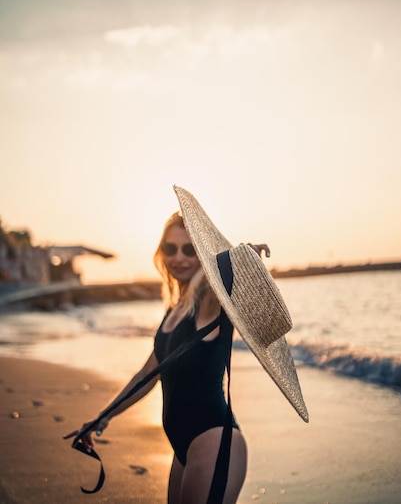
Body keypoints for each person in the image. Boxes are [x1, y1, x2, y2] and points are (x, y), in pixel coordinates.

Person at [65, 211, 270, 504]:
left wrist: (243, 257)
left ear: (202, 254)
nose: (179, 257)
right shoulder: (175, 309)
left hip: (213, 440)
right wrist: (103, 416)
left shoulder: (209, 303)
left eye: (189, 249)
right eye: (170, 248)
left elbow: (226, 278)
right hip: (183, 446)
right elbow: (147, 375)